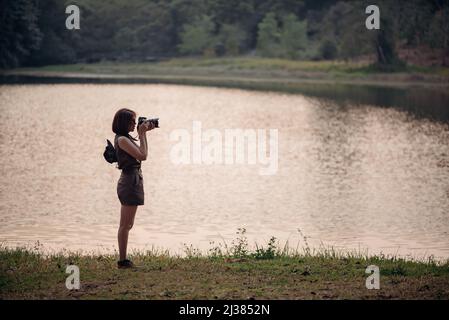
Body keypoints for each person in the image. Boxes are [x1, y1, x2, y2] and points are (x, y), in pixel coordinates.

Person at [111, 108, 155, 268]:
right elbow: (143, 156)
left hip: (133, 180)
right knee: (125, 225)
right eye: (132, 121)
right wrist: (142, 134)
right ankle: (122, 261)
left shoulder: (126, 138)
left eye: (135, 121)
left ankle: (123, 259)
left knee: (128, 224)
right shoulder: (122, 140)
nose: (135, 124)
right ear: (123, 122)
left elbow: (143, 154)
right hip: (129, 182)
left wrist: (144, 134)